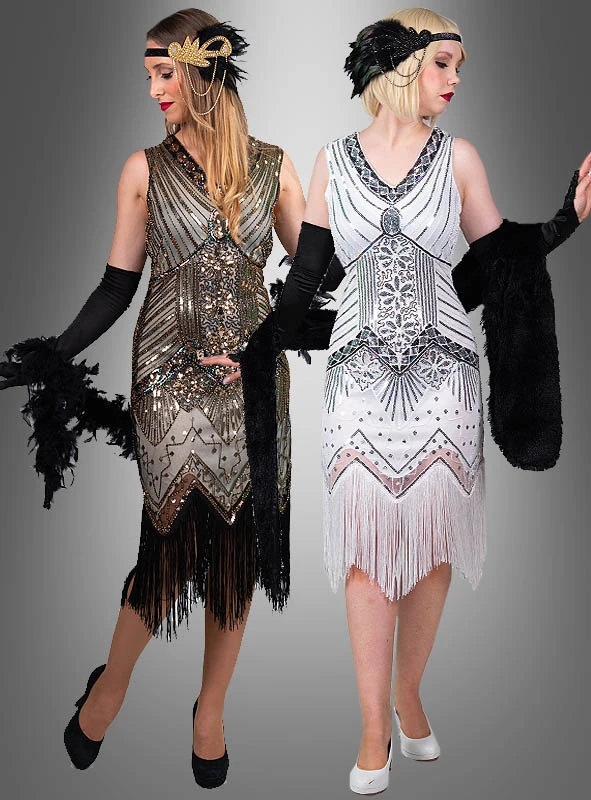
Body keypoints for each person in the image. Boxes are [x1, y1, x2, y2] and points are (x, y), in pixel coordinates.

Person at [265, 8, 590, 795]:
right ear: (402, 63)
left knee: (433, 549)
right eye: (443, 63)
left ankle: (407, 694)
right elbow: (306, 280)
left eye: (459, 68)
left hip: (446, 379)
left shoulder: (460, 157)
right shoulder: (331, 160)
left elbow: (497, 261)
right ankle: (373, 727)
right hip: (355, 384)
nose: (453, 80)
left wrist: (567, 219)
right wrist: (251, 346)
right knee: (366, 555)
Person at [0, 8, 304, 789]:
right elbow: (115, 286)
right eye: (147, 77)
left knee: (238, 549)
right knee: (168, 545)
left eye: (163, 74)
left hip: (253, 384)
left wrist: (269, 339)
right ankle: (110, 686)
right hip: (167, 376)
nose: (152, 90)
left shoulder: (273, 167)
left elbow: (315, 277)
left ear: (202, 73)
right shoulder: (143, 169)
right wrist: (48, 356)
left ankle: (210, 710)